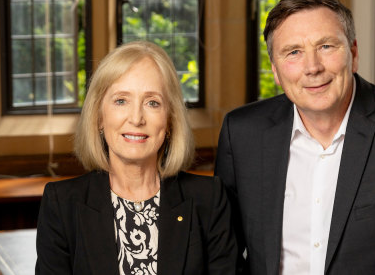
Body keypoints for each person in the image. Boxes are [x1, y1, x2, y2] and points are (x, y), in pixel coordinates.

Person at [215, 0, 375, 274]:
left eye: (326, 46)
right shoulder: (242, 134)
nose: (312, 67)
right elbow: (223, 254)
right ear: (275, 71)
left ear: (353, 52)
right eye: (294, 52)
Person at [36, 41, 237, 274]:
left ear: (170, 120)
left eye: (152, 103)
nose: (136, 118)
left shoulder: (209, 199)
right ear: (99, 117)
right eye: (121, 101)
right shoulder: (62, 204)